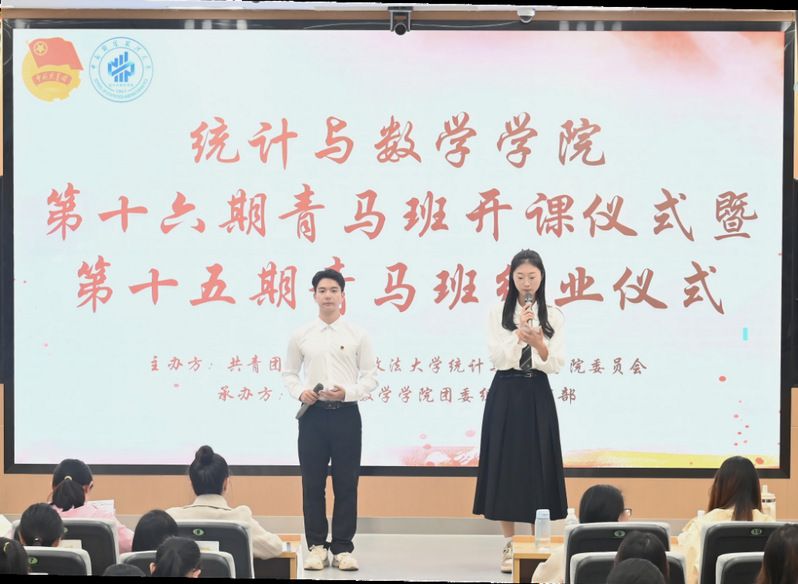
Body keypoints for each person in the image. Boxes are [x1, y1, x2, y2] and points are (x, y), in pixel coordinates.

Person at [473, 249, 567, 572]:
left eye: (532, 277)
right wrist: (518, 335)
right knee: (506, 464)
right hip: (506, 390)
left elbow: (554, 363)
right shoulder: (497, 312)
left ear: (542, 278)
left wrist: (539, 343)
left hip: (536, 390)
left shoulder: (553, 315)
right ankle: (510, 544)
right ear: (511, 278)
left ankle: (538, 542)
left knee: (538, 463)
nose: (526, 283)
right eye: (520, 277)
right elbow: (498, 359)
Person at [282, 268, 378, 572]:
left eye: (333, 290)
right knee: (312, 484)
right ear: (314, 295)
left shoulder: (357, 334)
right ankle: (316, 547)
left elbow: (371, 377)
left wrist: (347, 392)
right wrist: (300, 392)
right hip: (312, 416)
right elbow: (289, 373)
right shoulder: (301, 335)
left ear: (342, 296)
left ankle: (342, 548)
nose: (328, 296)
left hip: (346, 415)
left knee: (346, 483)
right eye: (322, 290)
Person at [166, 446, 283, 559]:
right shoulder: (240, 519)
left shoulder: (172, 518)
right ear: (225, 483)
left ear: (191, 483)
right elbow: (275, 547)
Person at [677, 455, 775, 584]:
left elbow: (689, 577)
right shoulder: (770, 525)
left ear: (718, 488)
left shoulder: (701, 525)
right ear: (755, 490)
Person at [532, 484, 629, 583]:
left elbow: (538, 579)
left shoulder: (566, 551)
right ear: (616, 517)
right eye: (624, 511)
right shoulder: (630, 552)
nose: (627, 516)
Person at [48, 458, 134, 553]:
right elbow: (133, 544)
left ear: (53, 486)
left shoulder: (40, 515)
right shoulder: (104, 519)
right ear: (89, 487)